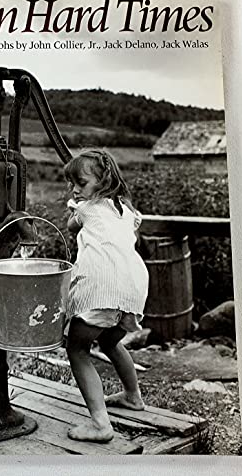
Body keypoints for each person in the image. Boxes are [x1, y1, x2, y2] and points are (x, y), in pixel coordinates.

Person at [63, 149, 149, 443]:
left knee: (77, 349)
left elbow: (71, 225)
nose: (75, 189)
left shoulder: (87, 207)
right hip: (134, 285)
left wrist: (77, 209)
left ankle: (101, 425)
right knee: (111, 340)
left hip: (102, 283)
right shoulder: (126, 211)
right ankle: (133, 396)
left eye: (81, 183)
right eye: (72, 184)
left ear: (103, 182)